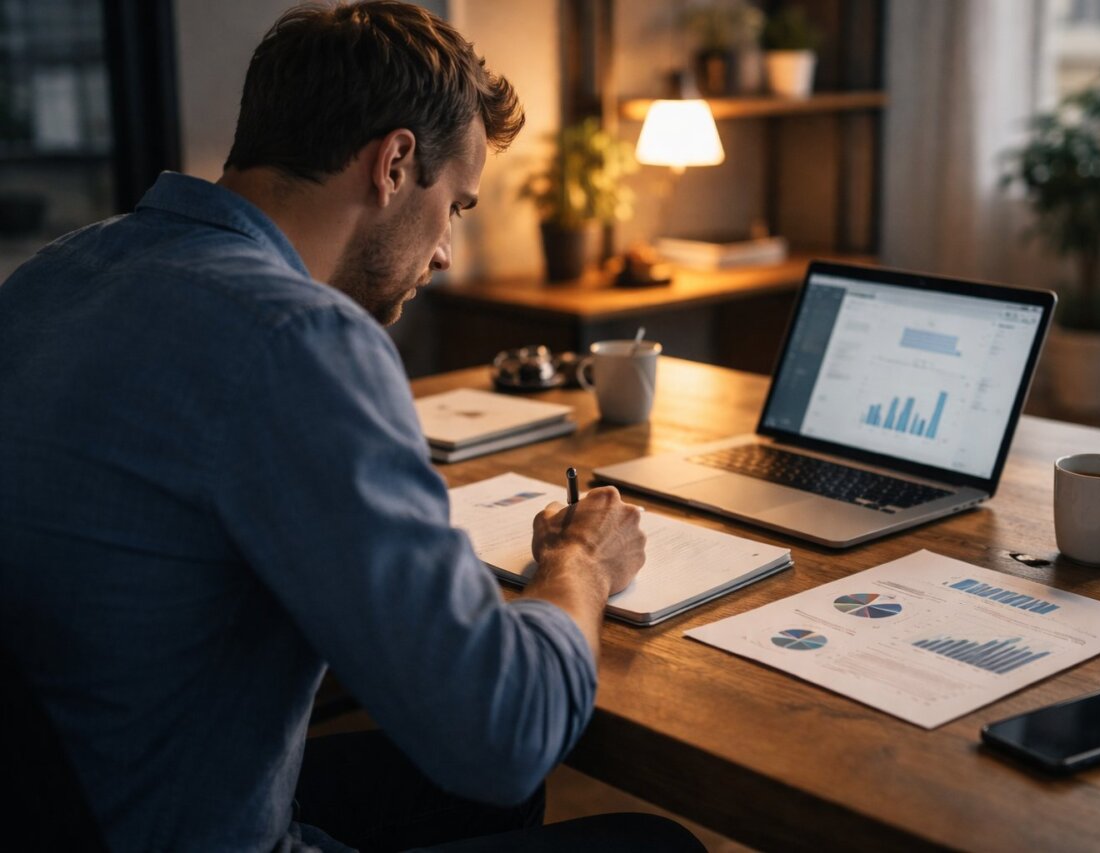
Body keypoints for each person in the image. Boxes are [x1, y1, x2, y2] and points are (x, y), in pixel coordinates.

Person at [0, 2, 703, 851]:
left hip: (86, 793)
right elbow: (506, 733)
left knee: (469, 801)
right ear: (394, 164)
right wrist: (580, 560)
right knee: (655, 843)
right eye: (456, 208)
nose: (444, 252)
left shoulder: (50, 277)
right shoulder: (298, 334)